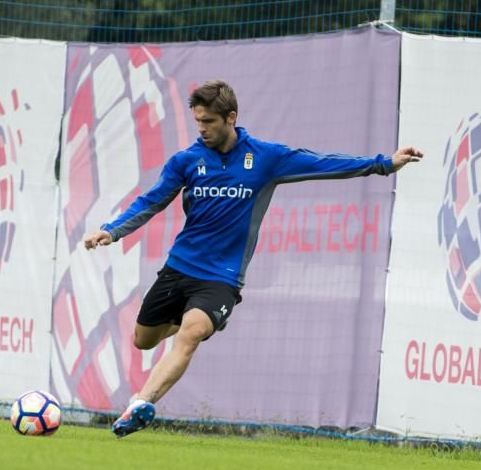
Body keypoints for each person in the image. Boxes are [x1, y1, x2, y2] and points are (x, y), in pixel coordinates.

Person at [83, 80, 423, 437]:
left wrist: (385, 164)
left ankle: (141, 403)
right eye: (198, 121)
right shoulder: (186, 161)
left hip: (222, 277)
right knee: (143, 340)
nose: (201, 129)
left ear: (231, 118)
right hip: (179, 268)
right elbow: (151, 201)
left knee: (191, 333)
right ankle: (197, 322)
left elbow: (322, 163)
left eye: (209, 122)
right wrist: (113, 230)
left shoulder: (265, 158)